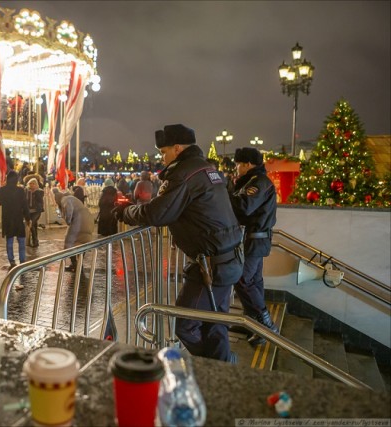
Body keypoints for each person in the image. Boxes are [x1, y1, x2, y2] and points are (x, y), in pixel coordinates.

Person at [113, 124, 244, 363]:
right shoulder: (207, 169)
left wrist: (126, 212)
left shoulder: (185, 173)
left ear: (176, 148)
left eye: (163, 152)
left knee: (185, 325)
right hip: (228, 257)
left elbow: (157, 213)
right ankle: (223, 369)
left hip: (211, 265)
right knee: (216, 324)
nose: (162, 158)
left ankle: (218, 367)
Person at [230, 147, 279, 346]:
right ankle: (251, 323)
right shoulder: (254, 181)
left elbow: (244, 207)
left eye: (238, 164)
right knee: (254, 281)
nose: (236, 168)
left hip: (254, 239)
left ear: (247, 164)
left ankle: (266, 325)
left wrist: (224, 195)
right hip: (254, 239)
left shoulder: (258, 182)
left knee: (243, 280)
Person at [52, 188, 93, 272]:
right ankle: (78, 263)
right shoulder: (71, 198)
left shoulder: (66, 199)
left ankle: (75, 264)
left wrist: (68, 220)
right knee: (83, 242)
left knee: (70, 242)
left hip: (79, 221)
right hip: (88, 220)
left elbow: (69, 211)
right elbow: (61, 214)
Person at [0, 171, 30, 269]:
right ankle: (22, 260)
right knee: (21, 240)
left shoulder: (1, 190)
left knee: (9, 241)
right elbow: (25, 205)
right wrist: (28, 218)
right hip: (18, 217)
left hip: (7, 217)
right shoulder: (20, 190)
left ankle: (12, 261)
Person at [25, 177, 45, 247]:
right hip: (28, 211)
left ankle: (35, 241)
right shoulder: (26, 191)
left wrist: (35, 192)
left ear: (36, 184)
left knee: (32, 224)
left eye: (33, 183)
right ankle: (32, 240)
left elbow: (40, 200)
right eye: (30, 183)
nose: (31, 185)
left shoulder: (40, 191)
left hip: (36, 211)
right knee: (33, 225)